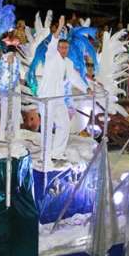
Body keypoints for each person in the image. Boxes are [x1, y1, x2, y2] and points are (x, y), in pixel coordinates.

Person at [38, 15, 89, 161]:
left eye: (66, 47)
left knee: (64, 125)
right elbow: (53, 41)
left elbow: (75, 78)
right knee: (46, 128)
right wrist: (60, 27)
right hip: (46, 97)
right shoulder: (50, 55)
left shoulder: (68, 63)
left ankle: (56, 153)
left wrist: (87, 89)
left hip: (59, 98)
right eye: (61, 47)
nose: (63, 49)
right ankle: (45, 155)